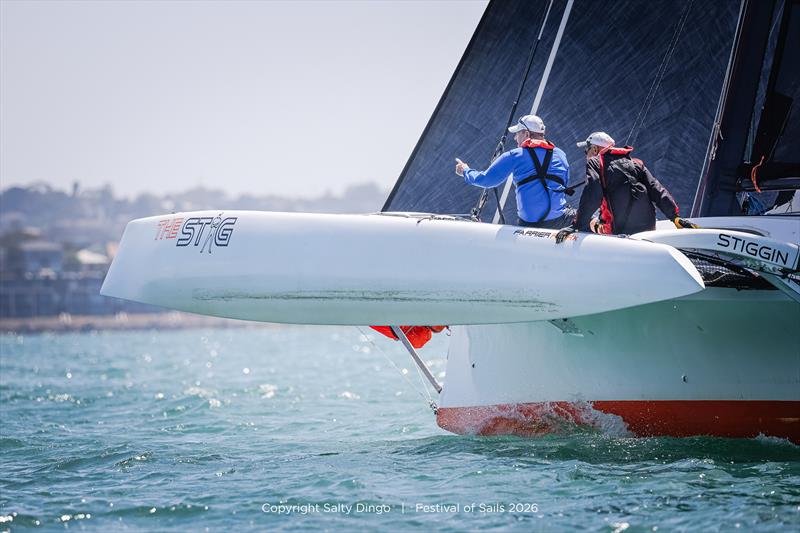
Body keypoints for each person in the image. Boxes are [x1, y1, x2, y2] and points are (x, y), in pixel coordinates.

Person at [555, 131, 696, 243]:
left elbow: (593, 194)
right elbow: (656, 189)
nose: (586, 155)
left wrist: (576, 225)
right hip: (648, 229)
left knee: (590, 222)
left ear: (595, 149)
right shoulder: (635, 163)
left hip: (617, 232)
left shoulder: (595, 163)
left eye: (587, 150)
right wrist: (675, 217)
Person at [455, 115, 572, 228]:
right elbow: (564, 183)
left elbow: (486, 180)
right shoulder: (561, 154)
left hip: (529, 225)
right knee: (582, 216)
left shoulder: (515, 155)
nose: (515, 138)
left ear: (526, 134)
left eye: (517, 133)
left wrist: (466, 171)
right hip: (560, 221)